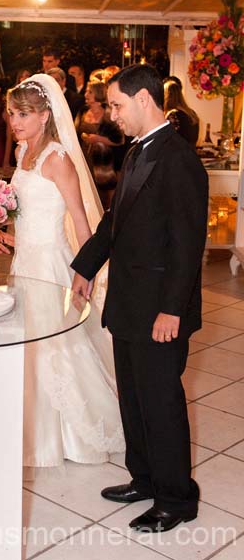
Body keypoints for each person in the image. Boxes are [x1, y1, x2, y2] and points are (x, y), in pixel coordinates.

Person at [71, 64, 208, 533]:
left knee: (161, 403)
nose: (112, 114)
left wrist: (172, 307)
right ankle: (145, 478)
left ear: (144, 101)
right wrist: (84, 267)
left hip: (160, 309)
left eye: (116, 105)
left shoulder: (179, 158)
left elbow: (189, 244)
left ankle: (176, 498)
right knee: (133, 397)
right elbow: (115, 222)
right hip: (129, 302)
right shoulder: (135, 153)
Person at [0, 74, 125, 468]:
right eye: (12, 114)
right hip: (25, 262)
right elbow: (27, 216)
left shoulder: (58, 159)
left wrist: (87, 273)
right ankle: (33, 429)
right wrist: (4, 232)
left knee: (59, 348)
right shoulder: (22, 155)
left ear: (45, 114)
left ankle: (75, 435)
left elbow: (82, 223)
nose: (15, 122)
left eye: (23, 114)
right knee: (29, 346)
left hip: (53, 265)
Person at [75, 80, 124, 210]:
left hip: (102, 162)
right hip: (84, 158)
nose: (86, 94)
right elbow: (75, 133)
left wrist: (98, 139)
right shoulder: (83, 111)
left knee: (103, 196)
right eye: (86, 91)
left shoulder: (108, 113)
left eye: (89, 91)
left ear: (98, 93)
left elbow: (120, 140)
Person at [164, 79, 199, 148]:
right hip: (190, 155)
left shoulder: (172, 115)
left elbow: (167, 143)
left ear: (166, 96)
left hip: (177, 157)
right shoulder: (192, 114)